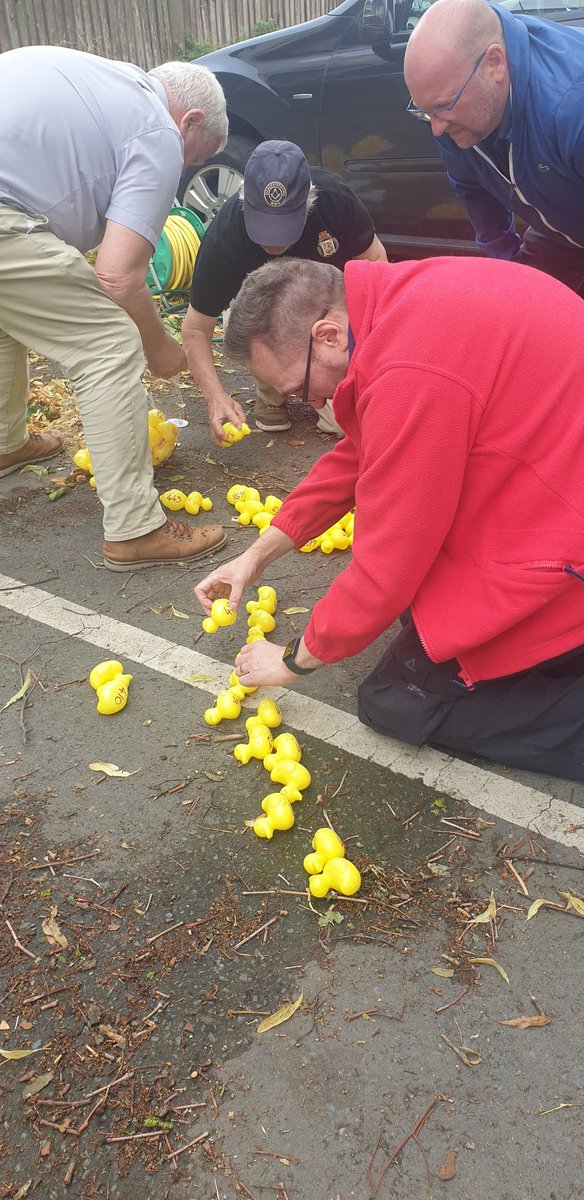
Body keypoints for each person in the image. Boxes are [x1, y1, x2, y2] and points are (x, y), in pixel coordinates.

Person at [195, 254, 584, 781]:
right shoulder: (398, 304)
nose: (309, 405)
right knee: (422, 620)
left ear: (328, 335)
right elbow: (361, 454)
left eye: (298, 389)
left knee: (398, 702)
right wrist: (255, 557)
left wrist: (293, 659)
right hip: (550, 480)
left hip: (561, 535)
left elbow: (389, 566)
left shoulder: (412, 369)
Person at [0, 48, 228, 571]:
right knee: (108, 343)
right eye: (194, 157)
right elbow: (118, 275)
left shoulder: (109, 86)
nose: (182, 169)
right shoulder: (157, 129)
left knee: (7, 310)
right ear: (188, 121)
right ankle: (135, 528)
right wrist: (159, 347)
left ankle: (6, 442)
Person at [182, 140, 387, 444]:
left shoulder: (335, 199)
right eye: (263, 225)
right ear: (243, 199)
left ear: (310, 197)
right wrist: (216, 397)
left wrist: (365, 363)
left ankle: (318, 384)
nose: (274, 243)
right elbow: (195, 328)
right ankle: (271, 393)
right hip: (266, 318)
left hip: (327, 317)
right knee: (243, 322)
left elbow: (378, 271)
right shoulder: (226, 234)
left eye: (285, 225)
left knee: (344, 426)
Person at [404, 0, 584, 296]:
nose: (436, 128)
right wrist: (510, 271)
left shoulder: (571, 107)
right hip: (560, 231)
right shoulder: (447, 115)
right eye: (424, 112)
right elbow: (471, 189)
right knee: (521, 309)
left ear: (495, 64)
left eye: (441, 107)